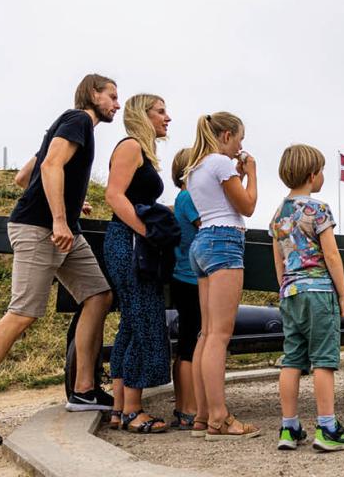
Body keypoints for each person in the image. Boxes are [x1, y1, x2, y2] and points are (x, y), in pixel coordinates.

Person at [0, 74, 119, 445]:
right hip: (42, 230)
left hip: (61, 227)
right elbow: (51, 167)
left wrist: (69, 203)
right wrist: (57, 217)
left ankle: (85, 388)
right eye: (112, 97)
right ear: (93, 95)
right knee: (22, 313)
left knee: (98, 295)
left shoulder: (67, 125)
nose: (116, 104)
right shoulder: (79, 120)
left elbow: (27, 176)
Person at [269, 144, 344, 452]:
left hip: (290, 294)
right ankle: (327, 428)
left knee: (292, 359)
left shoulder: (278, 214)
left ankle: (289, 427)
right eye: (321, 170)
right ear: (312, 175)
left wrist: (285, 290)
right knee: (324, 359)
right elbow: (332, 256)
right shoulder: (318, 210)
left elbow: (279, 262)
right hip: (319, 291)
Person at [186, 112, 260, 440]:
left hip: (202, 245)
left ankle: (203, 417)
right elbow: (246, 207)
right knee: (219, 335)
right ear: (227, 135)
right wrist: (252, 174)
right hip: (224, 243)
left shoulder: (196, 167)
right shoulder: (220, 162)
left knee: (206, 333)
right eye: (240, 140)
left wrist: (238, 177)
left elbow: (223, 203)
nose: (241, 147)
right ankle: (219, 417)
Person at [103, 94, 174, 434]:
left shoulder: (140, 150)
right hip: (128, 242)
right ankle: (134, 410)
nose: (167, 118)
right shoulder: (131, 146)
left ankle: (119, 408)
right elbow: (114, 194)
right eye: (160, 111)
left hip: (128, 241)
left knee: (131, 323)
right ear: (142, 114)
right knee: (145, 320)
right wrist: (147, 230)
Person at [169, 148, 202, 431]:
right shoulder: (189, 196)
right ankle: (189, 408)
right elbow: (210, 225)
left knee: (186, 345)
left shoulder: (181, 198)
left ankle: (183, 406)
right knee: (191, 344)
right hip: (191, 278)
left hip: (183, 276)